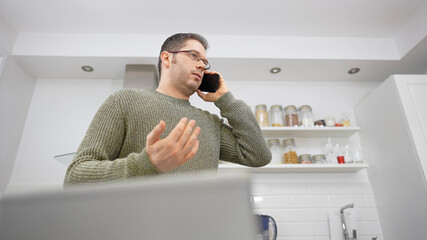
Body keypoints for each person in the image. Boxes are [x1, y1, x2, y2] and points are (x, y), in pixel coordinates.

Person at [64, 33, 271, 185]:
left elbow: (258, 156)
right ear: (167, 58)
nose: (201, 65)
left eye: (205, 62)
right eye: (193, 55)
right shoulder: (124, 101)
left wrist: (226, 100)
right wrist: (145, 164)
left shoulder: (209, 123)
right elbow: (75, 177)